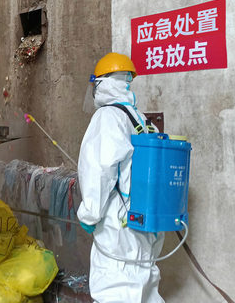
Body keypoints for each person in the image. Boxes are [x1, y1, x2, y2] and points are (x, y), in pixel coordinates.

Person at [77, 52, 165, 302]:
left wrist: (90, 213)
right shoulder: (140, 119)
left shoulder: (108, 117)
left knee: (116, 287)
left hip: (118, 223)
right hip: (143, 220)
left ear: (101, 83)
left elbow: (100, 170)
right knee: (145, 286)